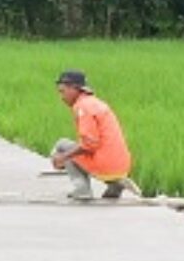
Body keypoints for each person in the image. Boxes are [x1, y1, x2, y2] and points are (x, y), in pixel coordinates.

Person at [51, 70, 135, 201]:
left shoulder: (83, 107)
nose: (61, 97)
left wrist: (63, 157)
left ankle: (82, 189)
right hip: (122, 164)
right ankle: (114, 185)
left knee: (63, 145)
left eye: (62, 91)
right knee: (74, 150)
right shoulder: (95, 103)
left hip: (105, 165)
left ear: (74, 88)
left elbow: (89, 145)